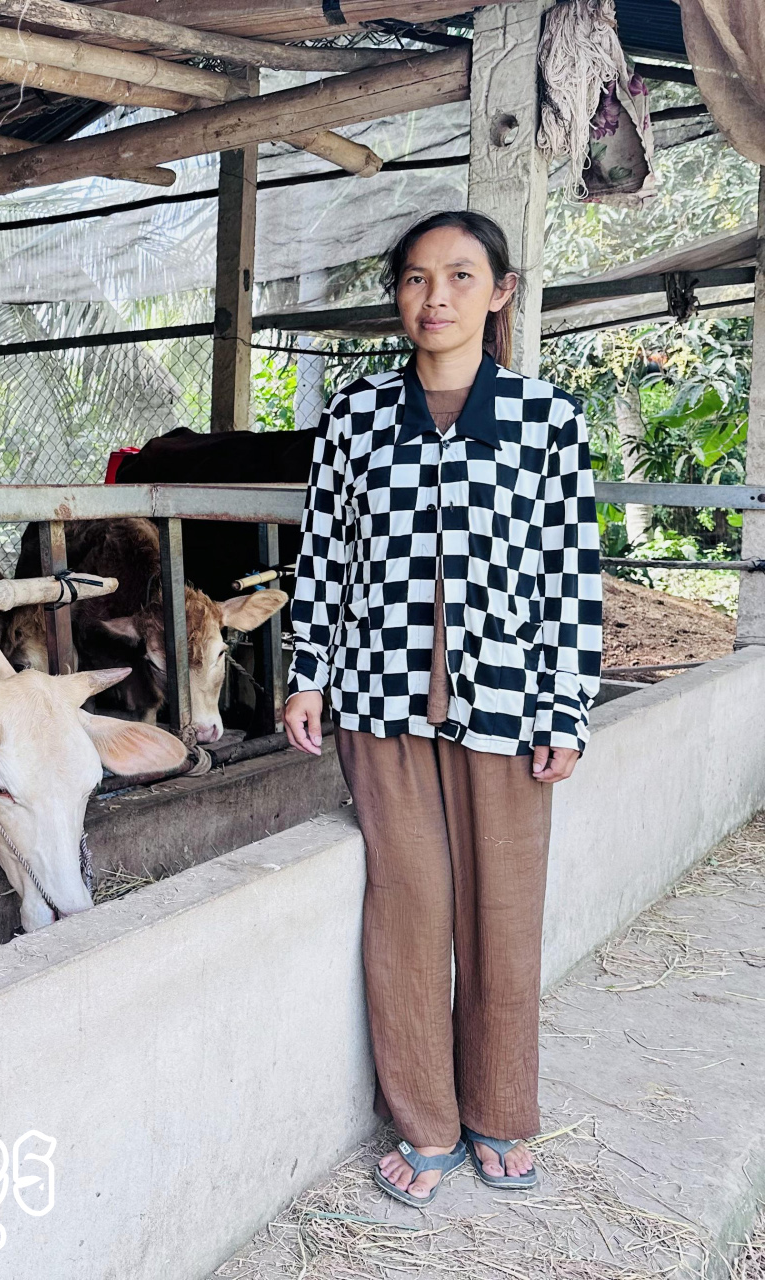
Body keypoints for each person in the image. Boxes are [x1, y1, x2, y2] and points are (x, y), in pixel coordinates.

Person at [281, 210, 603, 1206]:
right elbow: (324, 555)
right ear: (400, 295)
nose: (436, 298)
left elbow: (570, 573)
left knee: (503, 911)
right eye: (418, 279)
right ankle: (425, 1120)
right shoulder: (357, 415)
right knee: (407, 908)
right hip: (378, 700)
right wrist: (307, 671)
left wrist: (565, 706)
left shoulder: (548, 419)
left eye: (462, 277)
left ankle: (503, 1110)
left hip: (509, 703)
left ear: (500, 293)